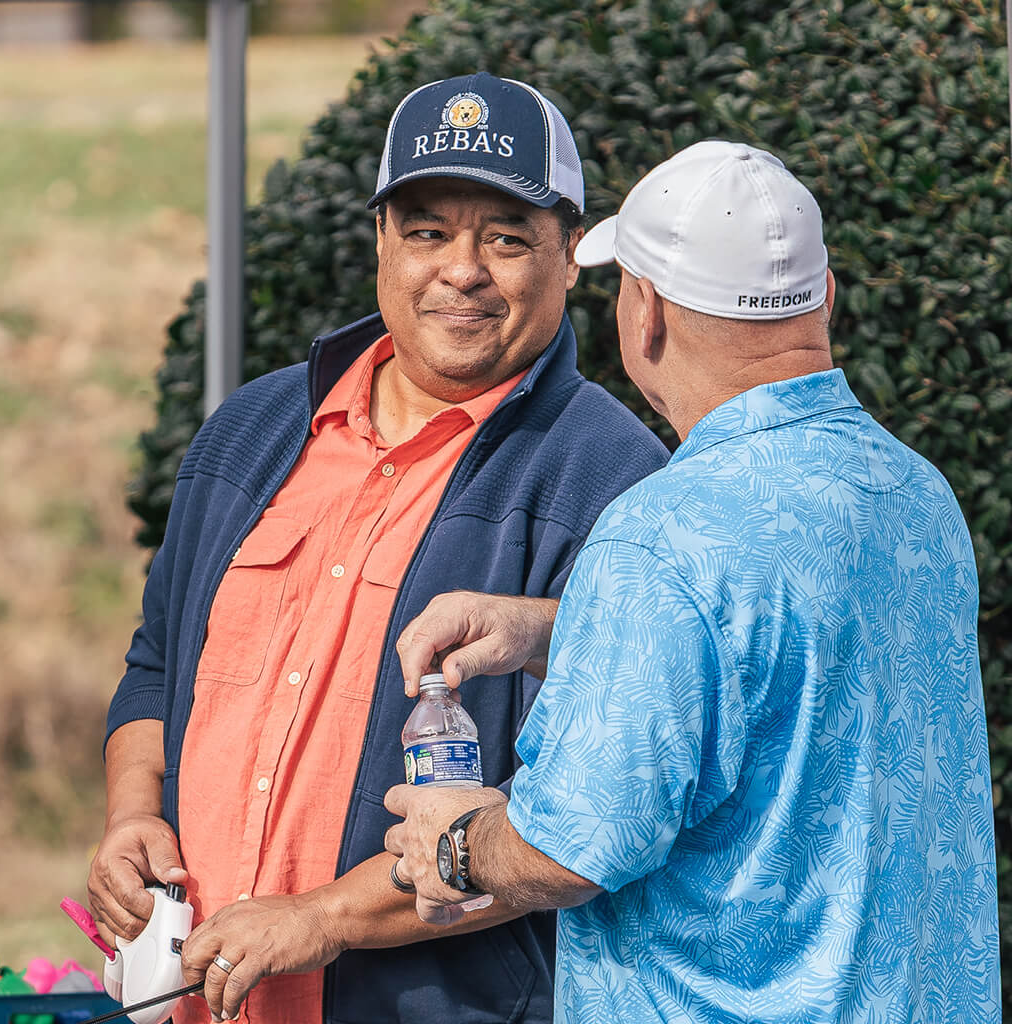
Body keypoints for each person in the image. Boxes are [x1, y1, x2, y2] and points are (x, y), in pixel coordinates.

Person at [86, 72, 668, 1024]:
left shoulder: (613, 480)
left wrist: (326, 917)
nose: (462, 270)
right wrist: (132, 813)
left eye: (507, 238)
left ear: (570, 257)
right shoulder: (251, 428)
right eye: (428, 232)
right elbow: (157, 667)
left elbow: (584, 813)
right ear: (383, 243)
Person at [384, 140, 1000, 1022]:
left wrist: (455, 846)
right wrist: (559, 629)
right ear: (825, 297)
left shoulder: (662, 536)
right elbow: (786, 664)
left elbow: (571, 849)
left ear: (646, 314)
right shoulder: (915, 493)